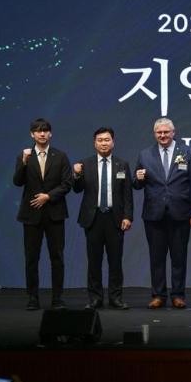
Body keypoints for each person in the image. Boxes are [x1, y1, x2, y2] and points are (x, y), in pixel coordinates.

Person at [132, 117, 191, 309]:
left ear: (173, 132)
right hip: (154, 214)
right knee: (156, 257)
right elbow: (137, 184)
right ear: (154, 134)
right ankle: (158, 295)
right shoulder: (145, 154)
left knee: (179, 257)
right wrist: (138, 178)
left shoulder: (187, 152)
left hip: (180, 213)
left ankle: (178, 295)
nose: (162, 135)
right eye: (159, 132)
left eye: (166, 132)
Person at [13, 118, 72, 310]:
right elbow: (17, 182)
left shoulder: (60, 156)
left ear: (50, 133)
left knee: (57, 258)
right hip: (31, 214)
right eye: (38, 131)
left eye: (45, 130)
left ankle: (57, 298)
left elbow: (67, 184)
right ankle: (33, 298)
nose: (42, 134)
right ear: (32, 134)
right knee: (31, 258)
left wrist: (48, 196)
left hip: (55, 214)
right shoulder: (25, 156)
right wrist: (23, 163)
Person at [72, 127, 133, 310]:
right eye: (100, 140)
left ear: (113, 142)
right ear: (94, 143)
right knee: (94, 261)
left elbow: (127, 194)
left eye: (107, 140)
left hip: (115, 219)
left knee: (116, 262)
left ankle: (116, 298)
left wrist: (128, 216)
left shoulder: (122, 164)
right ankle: (95, 298)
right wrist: (76, 174)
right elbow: (77, 189)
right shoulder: (85, 164)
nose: (104, 143)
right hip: (93, 218)